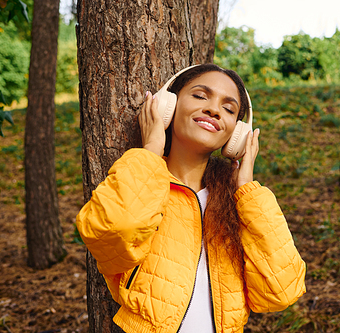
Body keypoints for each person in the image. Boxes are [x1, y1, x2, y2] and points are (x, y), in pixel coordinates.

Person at [76, 64, 306, 333]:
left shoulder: (239, 204)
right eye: (200, 96)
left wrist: (247, 189)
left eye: (229, 109)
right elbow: (113, 232)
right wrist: (150, 150)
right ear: (168, 106)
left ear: (237, 134)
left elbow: (281, 292)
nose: (214, 110)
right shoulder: (142, 180)